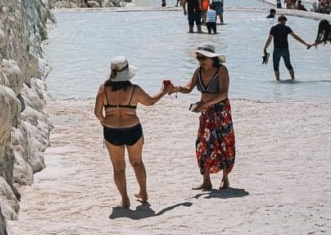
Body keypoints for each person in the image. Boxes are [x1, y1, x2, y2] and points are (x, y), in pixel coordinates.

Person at [94, 57, 167, 208]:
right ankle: (143, 192)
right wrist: (163, 91)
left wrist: (105, 122)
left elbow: (97, 113)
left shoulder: (103, 89)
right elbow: (151, 101)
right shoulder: (134, 89)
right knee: (137, 162)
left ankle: (125, 199)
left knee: (118, 168)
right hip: (132, 129)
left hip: (112, 131)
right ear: (127, 73)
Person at [165, 44, 235, 191]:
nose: (200, 61)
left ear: (212, 58)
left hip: (221, 111)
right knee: (203, 144)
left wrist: (204, 104)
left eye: (203, 58)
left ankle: (225, 179)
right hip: (205, 112)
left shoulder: (222, 70)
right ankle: (206, 181)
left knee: (223, 142)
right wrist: (175, 88)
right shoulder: (198, 72)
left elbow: (224, 94)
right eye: (198, 58)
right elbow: (188, 88)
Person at [262, 14, 312, 81]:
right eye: (285, 21)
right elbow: (295, 37)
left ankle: (277, 81)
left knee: (276, 66)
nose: (285, 23)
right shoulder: (286, 28)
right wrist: (305, 44)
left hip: (277, 50)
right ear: (282, 20)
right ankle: (293, 79)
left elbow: (269, 39)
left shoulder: (273, 28)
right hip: (285, 50)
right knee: (288, 65)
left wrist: (265, 48)